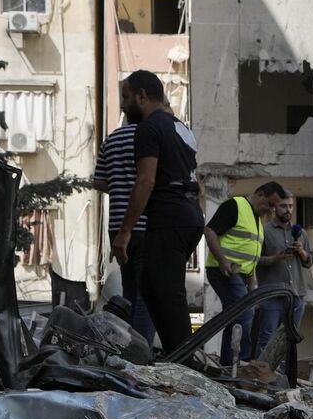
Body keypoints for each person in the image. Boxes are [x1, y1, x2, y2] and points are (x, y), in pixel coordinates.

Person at [111, 70, 202, 353]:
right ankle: (181, 353)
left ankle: (185, 359)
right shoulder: (180, 128)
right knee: (155, 286)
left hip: (169, 217)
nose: (123, 106)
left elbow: (146, 180)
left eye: (126, 98)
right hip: (189, 215)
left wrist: (125, 232)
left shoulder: (148, 129)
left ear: (142, 95)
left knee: (164, 291)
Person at [92, 79, 155, 343]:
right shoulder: (152, 137)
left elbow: (98, 182)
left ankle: (125, 346)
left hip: (117, 226)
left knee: (129, 292)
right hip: (145, 224)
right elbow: (150, 179)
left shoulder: (111, 140)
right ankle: (140, 351)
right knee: (147, 295)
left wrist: (120, 185)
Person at [202, 182, 287, 367]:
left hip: (240, 274)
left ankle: (227, 364)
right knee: (244, 313)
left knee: (234, 316)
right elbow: (209, 230)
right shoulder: (235, 206)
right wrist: (222, 260)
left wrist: (251, 286)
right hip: (224, 270)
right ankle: (243, 362)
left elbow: (251, 257)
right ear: (260, 194)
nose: (272, 210)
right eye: (270, 205)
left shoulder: (256, 219)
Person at [253, 198, 311, 357]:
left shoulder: (301, 233)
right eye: (283, 206)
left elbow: (309, 261)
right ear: (274, 208)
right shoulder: (264, 231)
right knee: (267, 337)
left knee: (289, 339)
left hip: (296, 294)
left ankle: (284, 377)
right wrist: (275, 259)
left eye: (291, 206)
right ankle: (262, 374)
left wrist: (301, 252)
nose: (288, 210)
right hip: (272, 294)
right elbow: (254, 260)